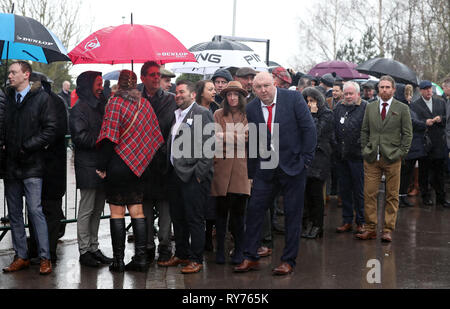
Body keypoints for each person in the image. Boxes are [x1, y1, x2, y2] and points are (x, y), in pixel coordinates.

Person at [234, 72, 316, 275]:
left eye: (266, 86)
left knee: (292, 214)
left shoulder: (293, 98)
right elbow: (253, 141)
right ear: (253, 89)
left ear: (275, 84)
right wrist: (251, 173)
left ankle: (288, 261)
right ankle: (250, 256)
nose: (263, 90)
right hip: (265, 168)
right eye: (258, 87)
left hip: (293, 167)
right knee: (254, 211)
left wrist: (305, 160)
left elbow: (309, 130)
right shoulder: (252, 108)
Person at [96, 70, 164, 272]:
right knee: (138, 210)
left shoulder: (114, 103)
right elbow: (155, 136)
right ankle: (141, 259)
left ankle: (118, 261)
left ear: (120, 83)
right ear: (135, 85)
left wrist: (101, 166)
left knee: (116, 212)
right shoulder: (145, 104)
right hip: (139, 166)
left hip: (118, 166)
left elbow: (109, 138)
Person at [2, 61, 56, 275]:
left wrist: (27, 146)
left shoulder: (42, 98)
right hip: (11, 165)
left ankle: (45, 258)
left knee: (35, 211)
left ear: (27, 75)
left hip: (32, 165)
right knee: (14, 213)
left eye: (14, 72)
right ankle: (21, 255)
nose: (10, 76)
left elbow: (50, 129)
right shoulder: (8, 98)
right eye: (9, 72)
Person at [158, 80, 215, 274]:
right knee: (178, 217)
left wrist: (199, 174)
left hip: (193, 177)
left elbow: (209, 147)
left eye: (181, 92)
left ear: (192, 95)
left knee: (194, 219)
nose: (177, 95)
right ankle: (181, 254)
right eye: (176, 92)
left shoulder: (202, 113)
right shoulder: (177, 115)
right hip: (174, 175)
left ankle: (196, 259)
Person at [357, 75, 412, 242]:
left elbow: (408, 134)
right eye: (382, 87)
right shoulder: (370, 107)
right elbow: (364, 131)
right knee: (369, 194)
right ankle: (371, 228)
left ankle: (388, 229)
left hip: (393, 158)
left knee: (392, 195)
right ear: (378, 89)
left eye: (388, 87)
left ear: (393, 89)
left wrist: (400, 153)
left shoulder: (402, 108)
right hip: (372, 157)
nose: (384, 90)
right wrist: (366, 149)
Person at [69, 71, 112, 267]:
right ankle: (84, 250)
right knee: (87, 209)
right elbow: (79, 137)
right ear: (88, 85)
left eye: (102, 83)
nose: (101, 87)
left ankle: (94, 247)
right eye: (97, 84)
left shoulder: (101, 105)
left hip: (102, 163)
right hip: (88, 165)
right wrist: (102, 140)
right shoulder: (79, 108)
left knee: (97, 210)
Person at [27, 76, 68, 265]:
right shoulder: (42, 101)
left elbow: (56, 132)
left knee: (49, 210)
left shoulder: (54, 103)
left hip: (50, 167)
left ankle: (48, 251)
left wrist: (33, 142)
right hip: (39, 167)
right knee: (36, 209)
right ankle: (38, 247)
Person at [140, 61, 177, 264]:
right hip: (143, 165)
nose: (156, 78)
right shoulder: (136, 99)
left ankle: (164, 248)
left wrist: (165, 151)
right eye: (152, 75)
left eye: (158, 75)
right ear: (143, 77)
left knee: (165, 213)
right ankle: (146, 247)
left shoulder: (171, 101)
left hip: (164, 164)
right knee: (143, 212)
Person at [211, 81, 251, 264]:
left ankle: (240, 250)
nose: (232, 97)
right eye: (229, 95)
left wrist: (225, 136)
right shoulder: (218, 114)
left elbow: (247, 138)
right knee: (220, 215)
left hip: (241, 171)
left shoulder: (247, 114)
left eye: (236, 94)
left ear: (241, 97)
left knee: (239, 215)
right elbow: (214, 138)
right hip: (221, 169)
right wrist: (234, 138)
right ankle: (220, 250)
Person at [334, 81, 367, 234]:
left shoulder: (365, 107)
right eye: (346, 93)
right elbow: (334, 128)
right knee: (345, 190)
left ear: (357, 94)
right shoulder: (338, 107)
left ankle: (361, 221)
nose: (348, 96)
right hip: (342, 156)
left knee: (359, 191)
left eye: (350, 93)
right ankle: (347, 220)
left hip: (358, 156)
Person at [301, 87, 334, 239]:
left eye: (312, 101)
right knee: (307, 194)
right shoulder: (305, 114)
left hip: (320, 158)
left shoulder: (327, 114)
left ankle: (317, 225)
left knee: (316, 194)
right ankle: (308, 223)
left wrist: (313, 114)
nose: (309, 104)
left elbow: (315, 132)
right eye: (307, 101)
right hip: (307, 158)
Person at [410, 80, 450, 207]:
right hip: (425, 143)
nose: (428, 91)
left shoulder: (440, 102)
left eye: (430, 89)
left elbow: (446, 119)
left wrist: (440, 119)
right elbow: (414, 122)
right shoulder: (415, 105)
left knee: (439, 172)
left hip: (439, 142)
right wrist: (424, 122)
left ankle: (441, 197)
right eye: (425, 89)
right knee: (424, 172)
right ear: (421, 91)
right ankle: (425, 196)